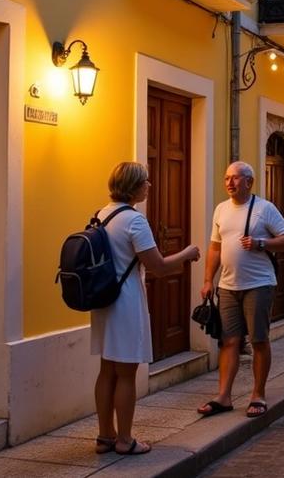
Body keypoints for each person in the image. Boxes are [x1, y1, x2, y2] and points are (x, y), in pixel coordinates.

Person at [92, 162, 201, 455]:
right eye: (145, 181)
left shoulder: (101, 214)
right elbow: (159, 267)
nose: (149, 186)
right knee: (125, 373)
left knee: (107, 371)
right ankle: (125, 440)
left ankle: (105, 436)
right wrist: (187, 254)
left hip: (103, 302)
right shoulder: (134, 221)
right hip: (124, 302)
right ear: (134, 186)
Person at [198, 162, 284, 419]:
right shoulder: (221, 210)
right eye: (226, 178)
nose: (229, 183)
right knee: (228, 341)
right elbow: (215, 247)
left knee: (258, 340)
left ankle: (258, 394)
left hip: (259, 285)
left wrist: (261, 243)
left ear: (249, 182)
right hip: (228, 286)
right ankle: (223, 396)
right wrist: (208, 279)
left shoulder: (265, 209)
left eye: (235, 178)